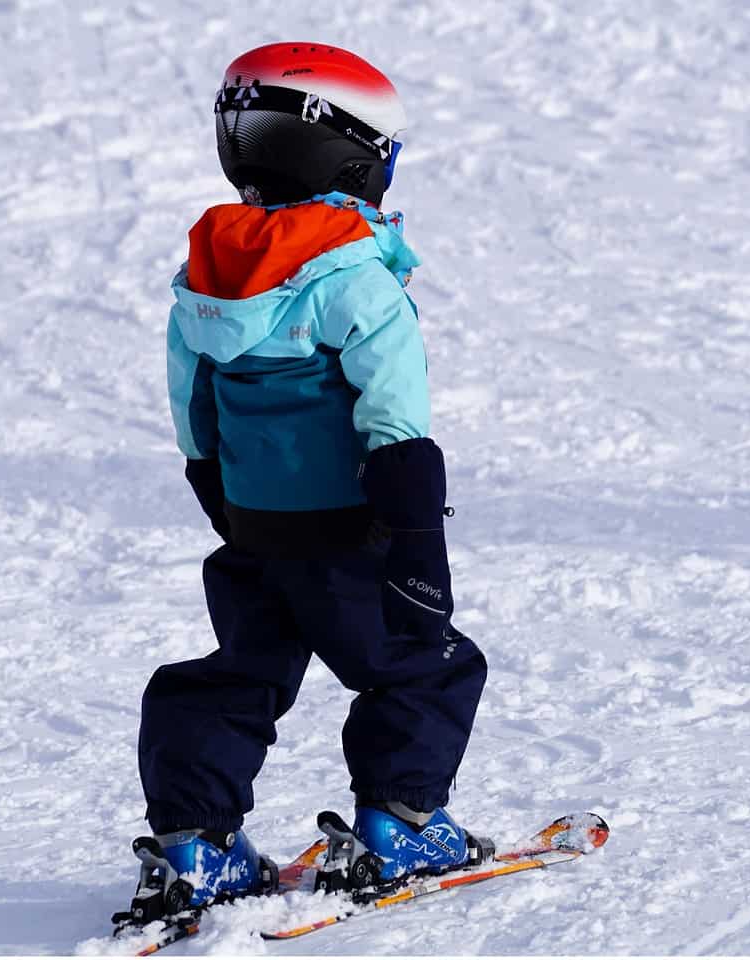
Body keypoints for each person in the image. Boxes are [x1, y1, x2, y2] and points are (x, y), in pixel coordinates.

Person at [124, 42, 488, 920]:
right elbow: (396, 422)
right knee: (426, 668)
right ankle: (401, 823)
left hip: (253, 527)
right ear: (358, 159)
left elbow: (193, 406)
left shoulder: (206, 276)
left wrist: (224, 498)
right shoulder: (355, 277)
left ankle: (195, 843)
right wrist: (414, 546)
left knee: (235, 676)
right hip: (350, 533)